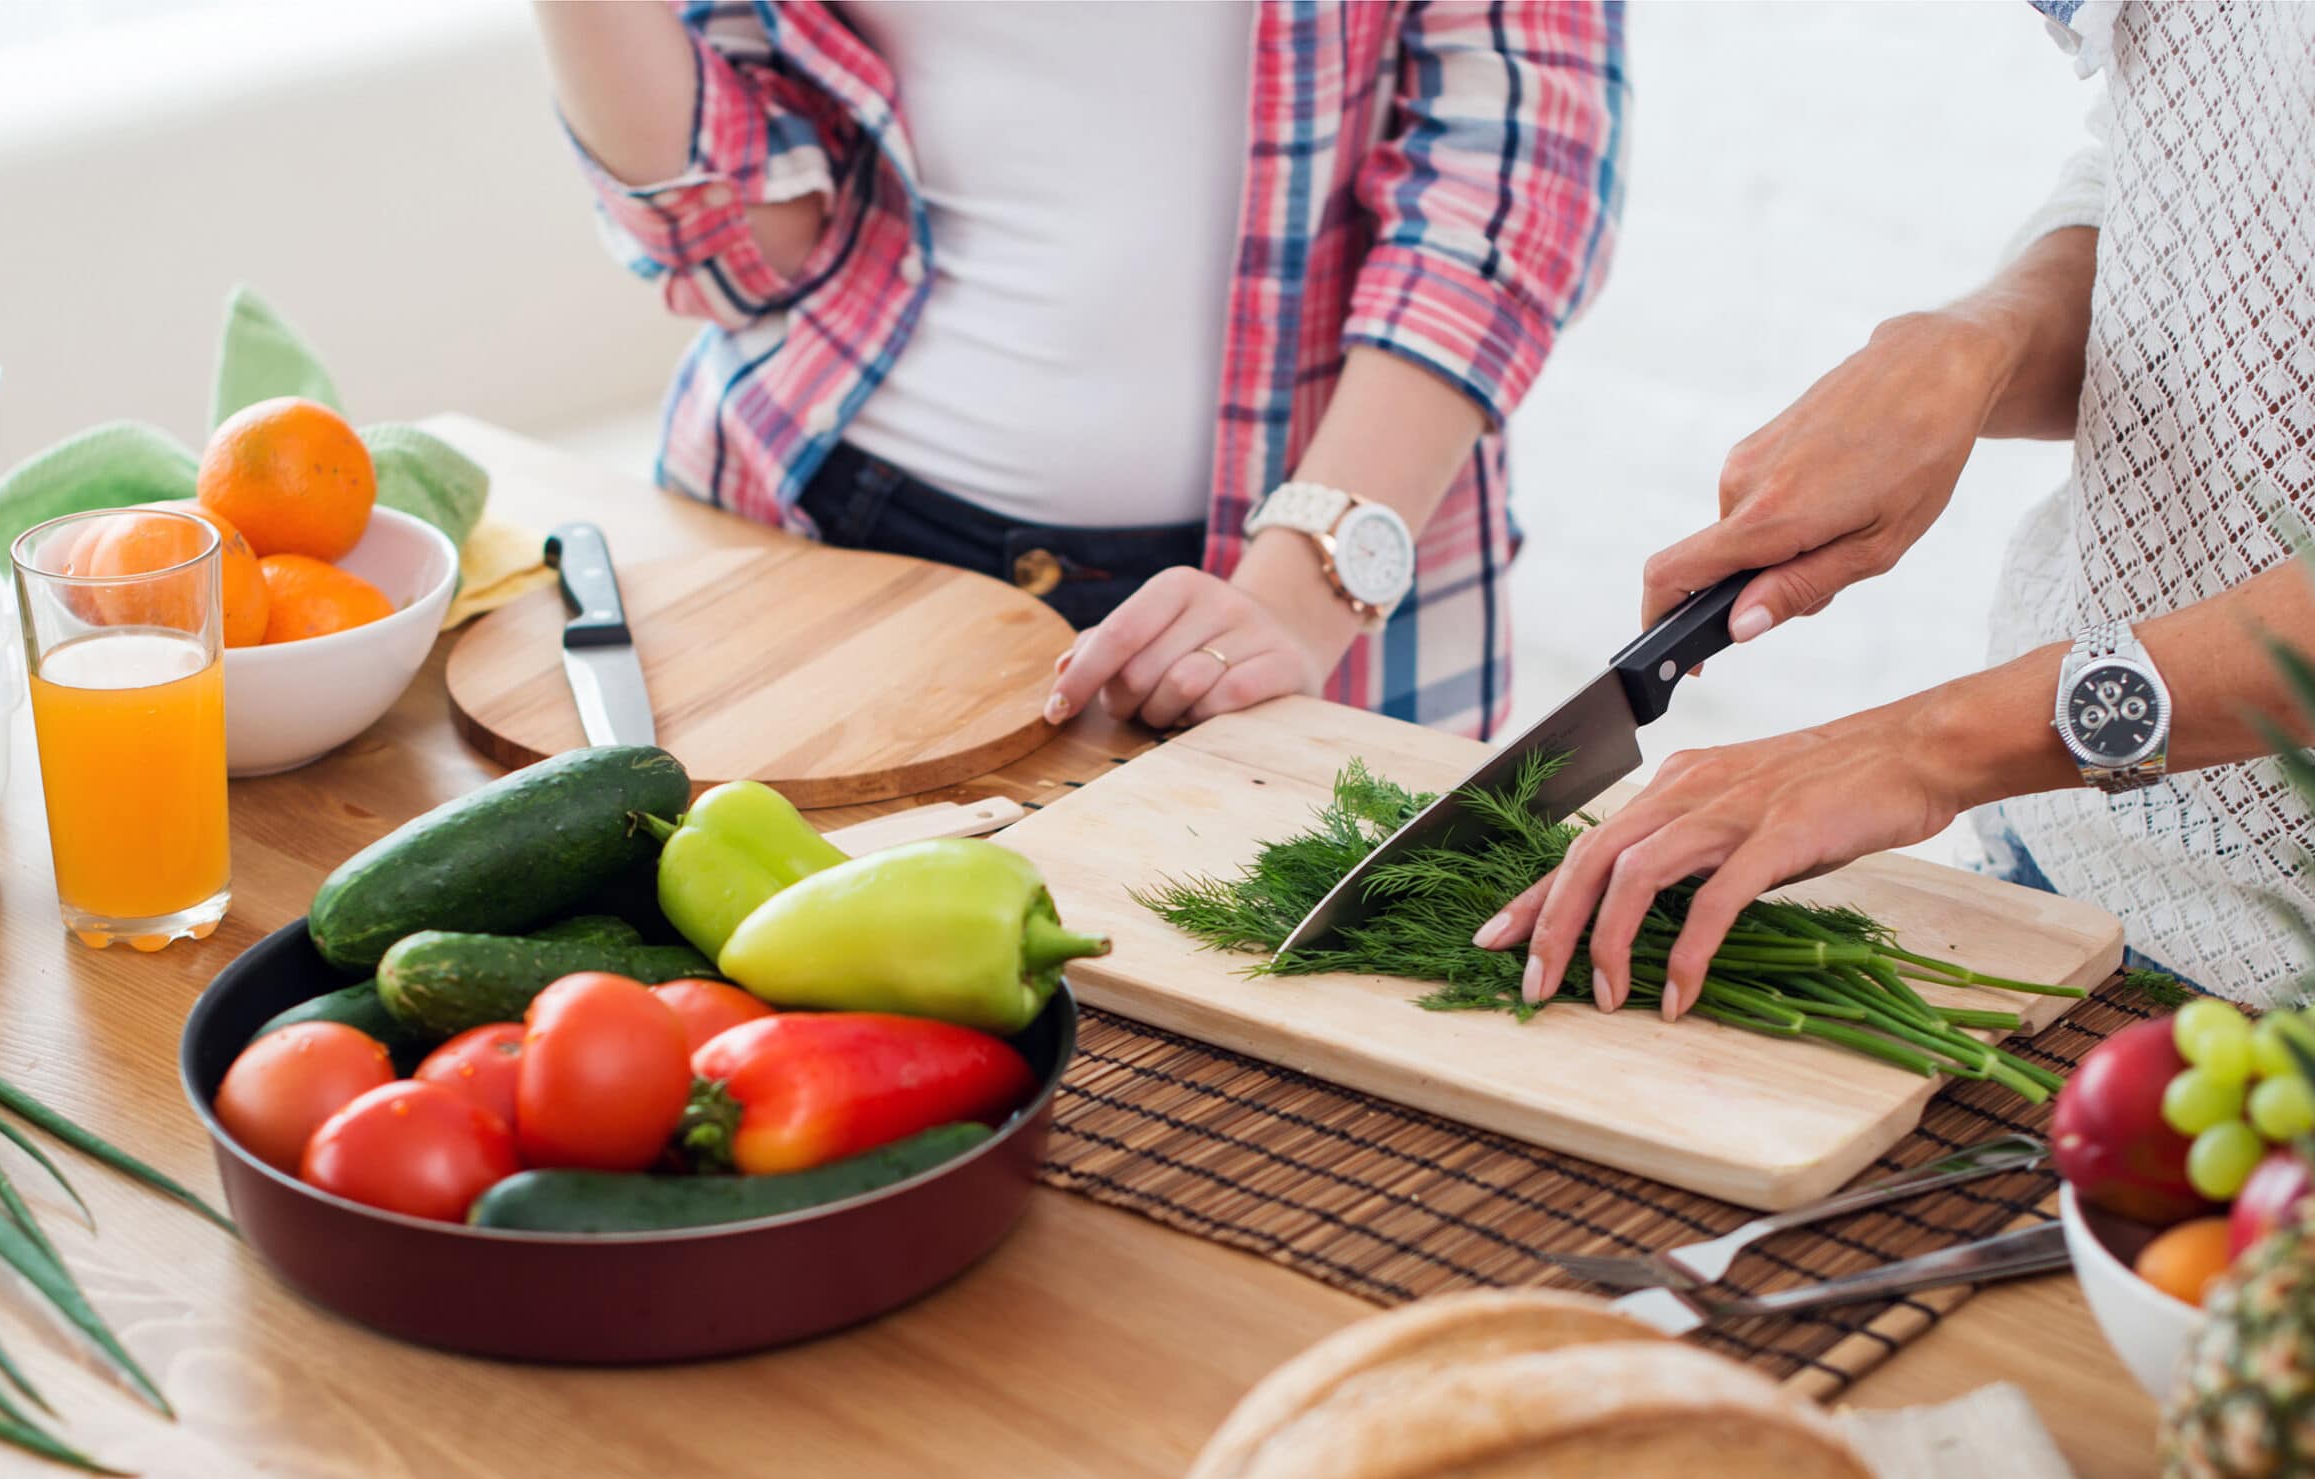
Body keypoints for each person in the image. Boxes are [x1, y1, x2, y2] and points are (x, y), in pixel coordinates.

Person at [1474, 0, 2315, 1010]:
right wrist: (1976, 345)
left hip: (2279, 977)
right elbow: (2191, 165)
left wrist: (1925, 747)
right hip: (2069, 889)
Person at [533, 1, 1625, 736]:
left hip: (1291, 583)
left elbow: (1513, 187)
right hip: (812, 524)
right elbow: (747, 246)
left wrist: (1303, 594)